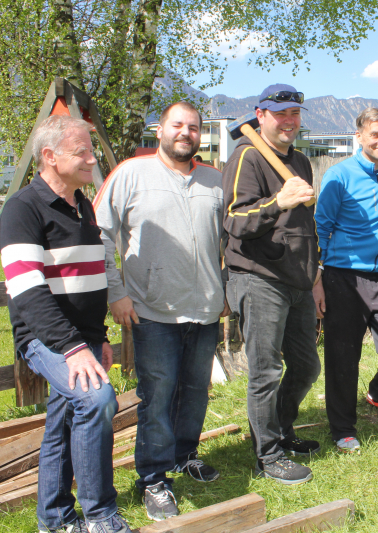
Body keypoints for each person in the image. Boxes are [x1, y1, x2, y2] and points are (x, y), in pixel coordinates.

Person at [0, 115, 132, 533]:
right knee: (96, 402)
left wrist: (97, 338)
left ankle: (53, 520)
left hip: (82, 339)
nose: (93, 159)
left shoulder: (83, 206)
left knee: (64, 422)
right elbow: (29, 293)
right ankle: (100, 514)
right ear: (50, 157)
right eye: (83, 152)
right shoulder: (22, 209)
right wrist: (74, 349)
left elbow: (86, 281)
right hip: (47, 339)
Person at [95, 101, 226, 521]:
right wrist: (116, 291)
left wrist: (224, 288)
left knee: (195, 391)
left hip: (205, 309)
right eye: (177, 125)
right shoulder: (131, 174)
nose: (185, 133)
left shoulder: (215, 181)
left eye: (193, 127)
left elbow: (231, 240)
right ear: (160, 131)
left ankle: (185, 454)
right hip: (152, 311)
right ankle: (153, 478)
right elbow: (99, 232)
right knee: (157, 396)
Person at [223, 83, 322, 484]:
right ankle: (268, 454)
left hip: (297, 279)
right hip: (259, 277)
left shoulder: (298, 160)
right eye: (280, 113)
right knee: (265, 371)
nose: (289, 120)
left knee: (306, 365)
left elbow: (303, 225)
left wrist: (314, 274)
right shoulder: (247, 156)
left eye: (295, 113)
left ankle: (280, 429)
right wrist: (278, 201)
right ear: (260, 116)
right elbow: (234, 219)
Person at [315, 108, 378, 454]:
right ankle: (343, 428)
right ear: (359, 137)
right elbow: (320, 226)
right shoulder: (339, 176)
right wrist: (319, 278)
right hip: (343, 276)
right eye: (375, 135)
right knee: (343, 356)